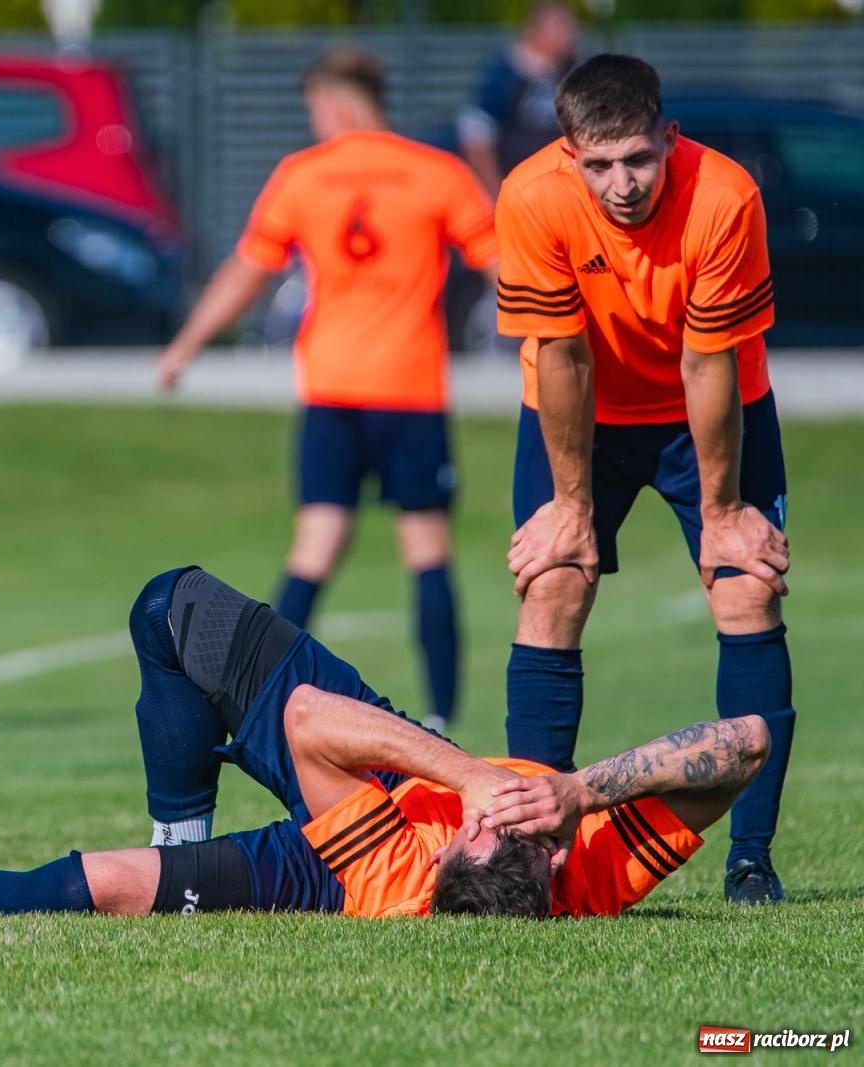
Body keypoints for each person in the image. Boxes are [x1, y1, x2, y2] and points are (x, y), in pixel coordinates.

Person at [0, 567, 768, 922]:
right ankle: (180, 810)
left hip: (349, 830)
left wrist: (465, 776)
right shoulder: (596, 863)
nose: (489, 814)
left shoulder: (401, 869)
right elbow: (745, 741)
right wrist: (572, 786)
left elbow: (307, 725)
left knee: (100, 883)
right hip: (419, 776)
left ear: (450, 853)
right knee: (170, 608)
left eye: (474, 827)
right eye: (502, 816)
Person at [494, 54, 794, 904]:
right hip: (579, 410)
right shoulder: (529, 196)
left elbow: (709, 361)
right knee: (552, 584)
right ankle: (532, 856)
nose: (621, 183)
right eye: (598, 164)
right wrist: (572, 506)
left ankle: (751, 860)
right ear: (567, 156)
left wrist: (727, 508)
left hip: (711, 404)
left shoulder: (724, 194)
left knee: (746, 588)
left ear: (670, 138)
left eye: (638, 159)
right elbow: (562, 356)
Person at [155, 49, 498, 734]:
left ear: (337, 106)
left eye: (315, 110)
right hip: (411, 391)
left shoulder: (302, 176)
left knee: (315, 545)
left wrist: (186, 345)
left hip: (333, 393)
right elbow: (505, 265)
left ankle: (255, 701)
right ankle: (439, 715)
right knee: (426, 548)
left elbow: (247, 272)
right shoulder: (437, 173)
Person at [457, 2, 581, 197]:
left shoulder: (571, 72)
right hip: (522, 188)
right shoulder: (505, 75)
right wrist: (493, 187)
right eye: (561, 27)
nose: (570, 35)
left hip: (565, 189)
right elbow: (477, 134)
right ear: (536, 30)